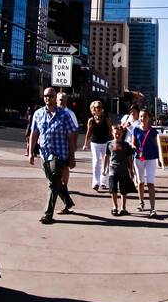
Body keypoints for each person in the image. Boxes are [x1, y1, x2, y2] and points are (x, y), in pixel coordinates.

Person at [28, 88, 78, 223]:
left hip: (59, 154)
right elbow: (34, 133)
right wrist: (31, 152)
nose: (48, 98)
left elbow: (71, 135)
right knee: (54, 181)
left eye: (50, 96)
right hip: (44, 154)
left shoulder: (64, 115)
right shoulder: (38, 114)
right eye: (45, 96)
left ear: (55, 98)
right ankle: (67, 201)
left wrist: (72, 157)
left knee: (52, 182)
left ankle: (47, 214)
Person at [102, 123, 137, 216]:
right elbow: (106, 156)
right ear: (112, 133)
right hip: (112, 170)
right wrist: (104, 168)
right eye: (115, 133)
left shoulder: (126, 145)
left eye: (119, 134)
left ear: (122, 134)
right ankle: (115, 206)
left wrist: (131, 171)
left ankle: (123, 208)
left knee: (123, 190)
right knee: (113, 189)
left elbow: (130, 159)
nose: (117, 135)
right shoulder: (109, 143)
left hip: (123, 170)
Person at [132, 109, 161, 218]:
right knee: (140, 182)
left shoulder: (153, 131)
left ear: (148, 118)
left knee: (150, 183)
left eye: (144, 116)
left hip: (150, 159)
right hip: (139, 159)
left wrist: (159, 159)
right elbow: (133, 144)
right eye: (141, 116)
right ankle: (141, 203)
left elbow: (156, 145)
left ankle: (153, 208)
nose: (142, 118)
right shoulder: (136, 130)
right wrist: (137, 151)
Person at [83, 99, 114, 192]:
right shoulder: (91, 120)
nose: (99, 109)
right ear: (93, 109)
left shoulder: (107, 119)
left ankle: (104, 181)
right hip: (95, 143)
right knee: (96, 162)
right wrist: (85, 144)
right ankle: (96, 182)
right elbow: (88, 133)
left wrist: (113, 142)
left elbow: (110, 131)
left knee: (106, 163)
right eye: (97, 107)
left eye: (100, 107)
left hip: (106, 143)